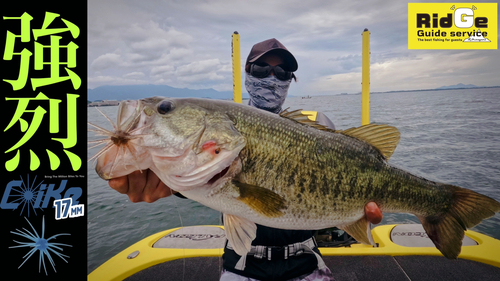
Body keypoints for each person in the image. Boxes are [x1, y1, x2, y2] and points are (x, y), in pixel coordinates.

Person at [108, 38, 383, 281]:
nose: (272, 78)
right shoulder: (223, 126)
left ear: (291, 80)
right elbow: (204, 170)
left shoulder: (319, 125)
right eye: (262, 69)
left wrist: (351, 215)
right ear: (248, 74)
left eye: (283, 72)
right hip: (241, 267)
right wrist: (168, 181)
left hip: (306, 261)